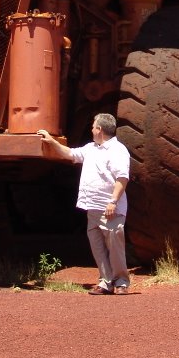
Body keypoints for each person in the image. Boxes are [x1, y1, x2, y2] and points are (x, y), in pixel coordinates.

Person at [36, 114, 130, 295]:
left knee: (115, 247)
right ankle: (105, 281)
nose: (91, 129)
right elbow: (70, 153)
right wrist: (51, 141)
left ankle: (121, 282)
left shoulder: (118, 150)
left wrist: (113, 201)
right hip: (91, 208)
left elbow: (122, 178)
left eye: (93, 126)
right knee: (98, 247)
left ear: (99, 129)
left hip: (109, 208)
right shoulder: (91, 148)